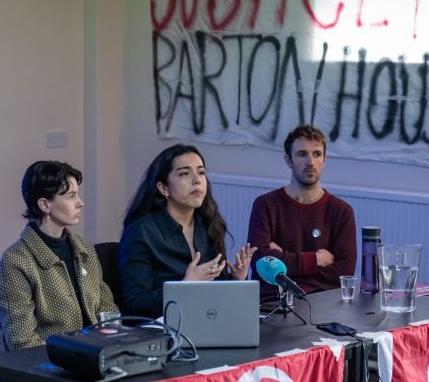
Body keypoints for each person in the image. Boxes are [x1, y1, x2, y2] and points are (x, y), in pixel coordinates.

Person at [119, 144, 255, 318]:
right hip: (162, 329)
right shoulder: (141, 232)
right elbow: (136, 302)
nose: (196, 180)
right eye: (184, 173)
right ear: (163, 188)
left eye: (201, 172)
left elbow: (214, 287)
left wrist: (236, 280)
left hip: (206, 319)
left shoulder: (209, 225)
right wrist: (186, 286)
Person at [0, 160, 117, 351]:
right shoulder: (17, 260)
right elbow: (22, 341)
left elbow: (107, 310)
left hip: (99, 356)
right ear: (45, 204)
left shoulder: (84, 249)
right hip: (53, 366)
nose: (80, 203)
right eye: (71, 196)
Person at [247, 124, 357, 298]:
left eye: (317, 154)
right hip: (273, 302)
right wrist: (316, 260)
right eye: (301, 154)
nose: (310, 162)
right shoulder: (265, 205)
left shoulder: (341, 211)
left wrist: (282, 258)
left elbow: (344, 272)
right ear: (288, 160)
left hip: (322, 303)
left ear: (324, 159)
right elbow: (261, 262)